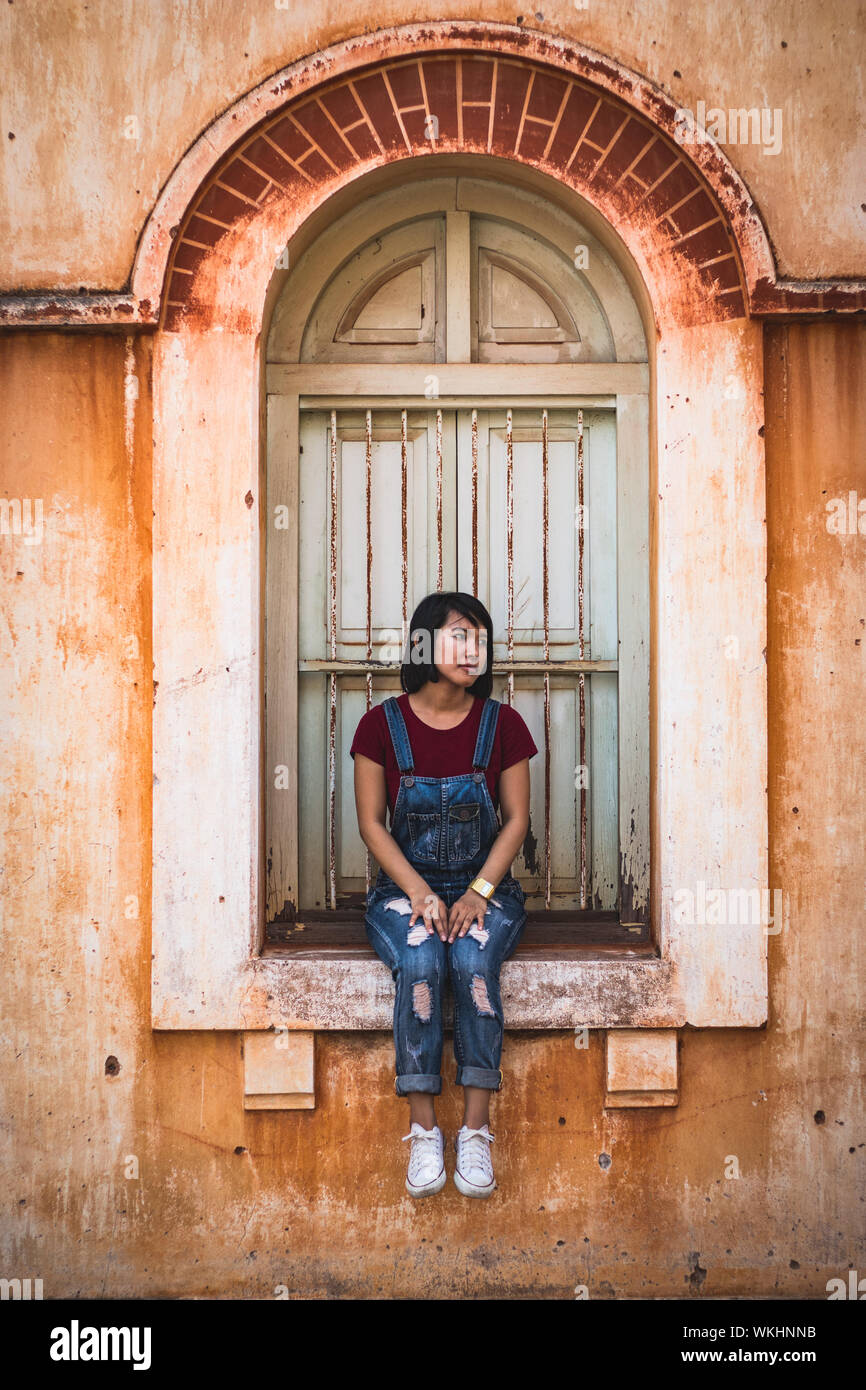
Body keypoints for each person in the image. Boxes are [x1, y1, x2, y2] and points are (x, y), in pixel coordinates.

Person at [350, 591, 538, 1199]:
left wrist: (480, 892)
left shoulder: (503, 725)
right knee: (424, 960)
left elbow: (514, 821)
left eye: (481, 640)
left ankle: (476, 1134)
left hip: (488, 890)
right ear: (424, 644)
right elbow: (372, 824)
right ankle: (424, 1130)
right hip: (404, 891)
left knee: (473, 962)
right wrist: (420, 895)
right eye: (460, 636)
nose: (473, 651)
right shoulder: (380, 726)